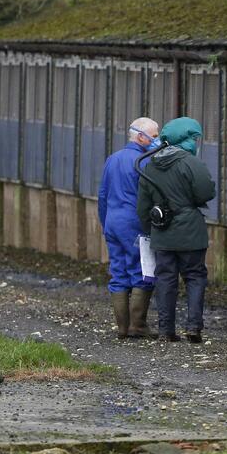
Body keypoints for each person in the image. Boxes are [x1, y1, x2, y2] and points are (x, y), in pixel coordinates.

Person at [136, 117, 216, 343]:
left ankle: (165, 330)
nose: (195, 142)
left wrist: (149, 230)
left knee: (165, 279)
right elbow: (206, 192)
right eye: (193, 138)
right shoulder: (191, 163)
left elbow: (142, 206)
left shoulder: (150, 165)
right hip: (190, 230)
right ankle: (193, 327)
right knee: (195, 277)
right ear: (185, 139)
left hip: (162, 231)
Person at [98, 117, 159, 340]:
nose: (157, 140)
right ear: (140, 136)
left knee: (118, 272)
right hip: (134, 223)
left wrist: (105, 223)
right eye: (154, 136)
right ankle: (138, 326)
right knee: (141, 271)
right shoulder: (143, 162)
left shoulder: (112, 159)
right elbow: (148, 197)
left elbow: (102, 195)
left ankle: (122, 328)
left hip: (113, 221)